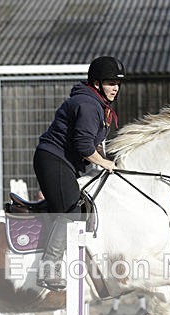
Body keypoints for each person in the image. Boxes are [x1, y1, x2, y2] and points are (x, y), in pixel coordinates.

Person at [33, 56, 125, 290]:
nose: (115, 87)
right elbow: (85, 147)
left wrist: (110, 161)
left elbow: (95, 144)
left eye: (117, 83)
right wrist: (104, 163)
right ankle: (48, 268)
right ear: (96, 83)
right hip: (53, 160)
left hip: (61, 162)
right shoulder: (88, 105)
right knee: (73, 209)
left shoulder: (98, 105)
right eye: (110, 82)